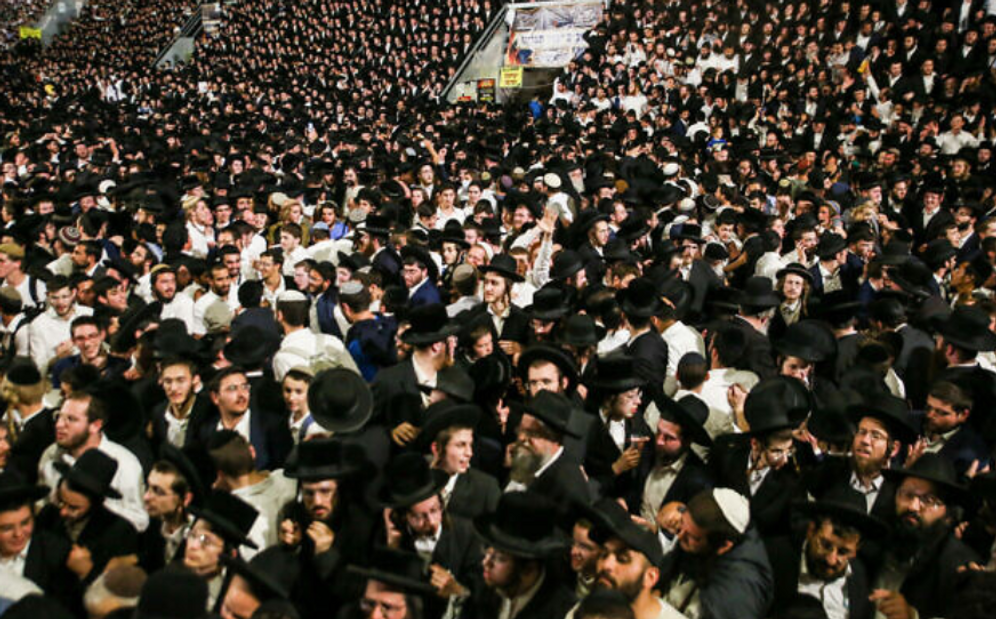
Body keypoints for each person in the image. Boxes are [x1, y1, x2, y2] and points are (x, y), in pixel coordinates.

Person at [37, 390, 148, 532]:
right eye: (59, 417)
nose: (59, 425)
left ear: (95, 425)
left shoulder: (125, 464)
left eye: (71, 419)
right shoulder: (51, 455)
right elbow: (43, 504)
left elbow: (138, 522)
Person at [767, 491, 887, 619]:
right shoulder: (774, 558)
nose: (831, 560)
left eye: (843, 552)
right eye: (825, 545)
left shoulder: (859, 579)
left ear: (855, 550)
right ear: (811, 530)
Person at [659, 488, 773, 619]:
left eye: (693, 537)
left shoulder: (738, 593)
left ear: (724, 546)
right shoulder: (695, 533)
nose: (680, 536)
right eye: (682, 523)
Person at [463, 491, 577, 619]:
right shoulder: (480, 585)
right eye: (487, 551)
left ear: (528, 570)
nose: (486, 563)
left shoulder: (562, 612)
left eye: (500, 558)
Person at [27, 275, 93, 373]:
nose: (60, 303)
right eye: (54, 298)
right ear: (47, 295)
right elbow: (38, 369)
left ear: (73, 293)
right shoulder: (38, 325)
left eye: (64, 297)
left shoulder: (89, 314)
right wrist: (58, 358)